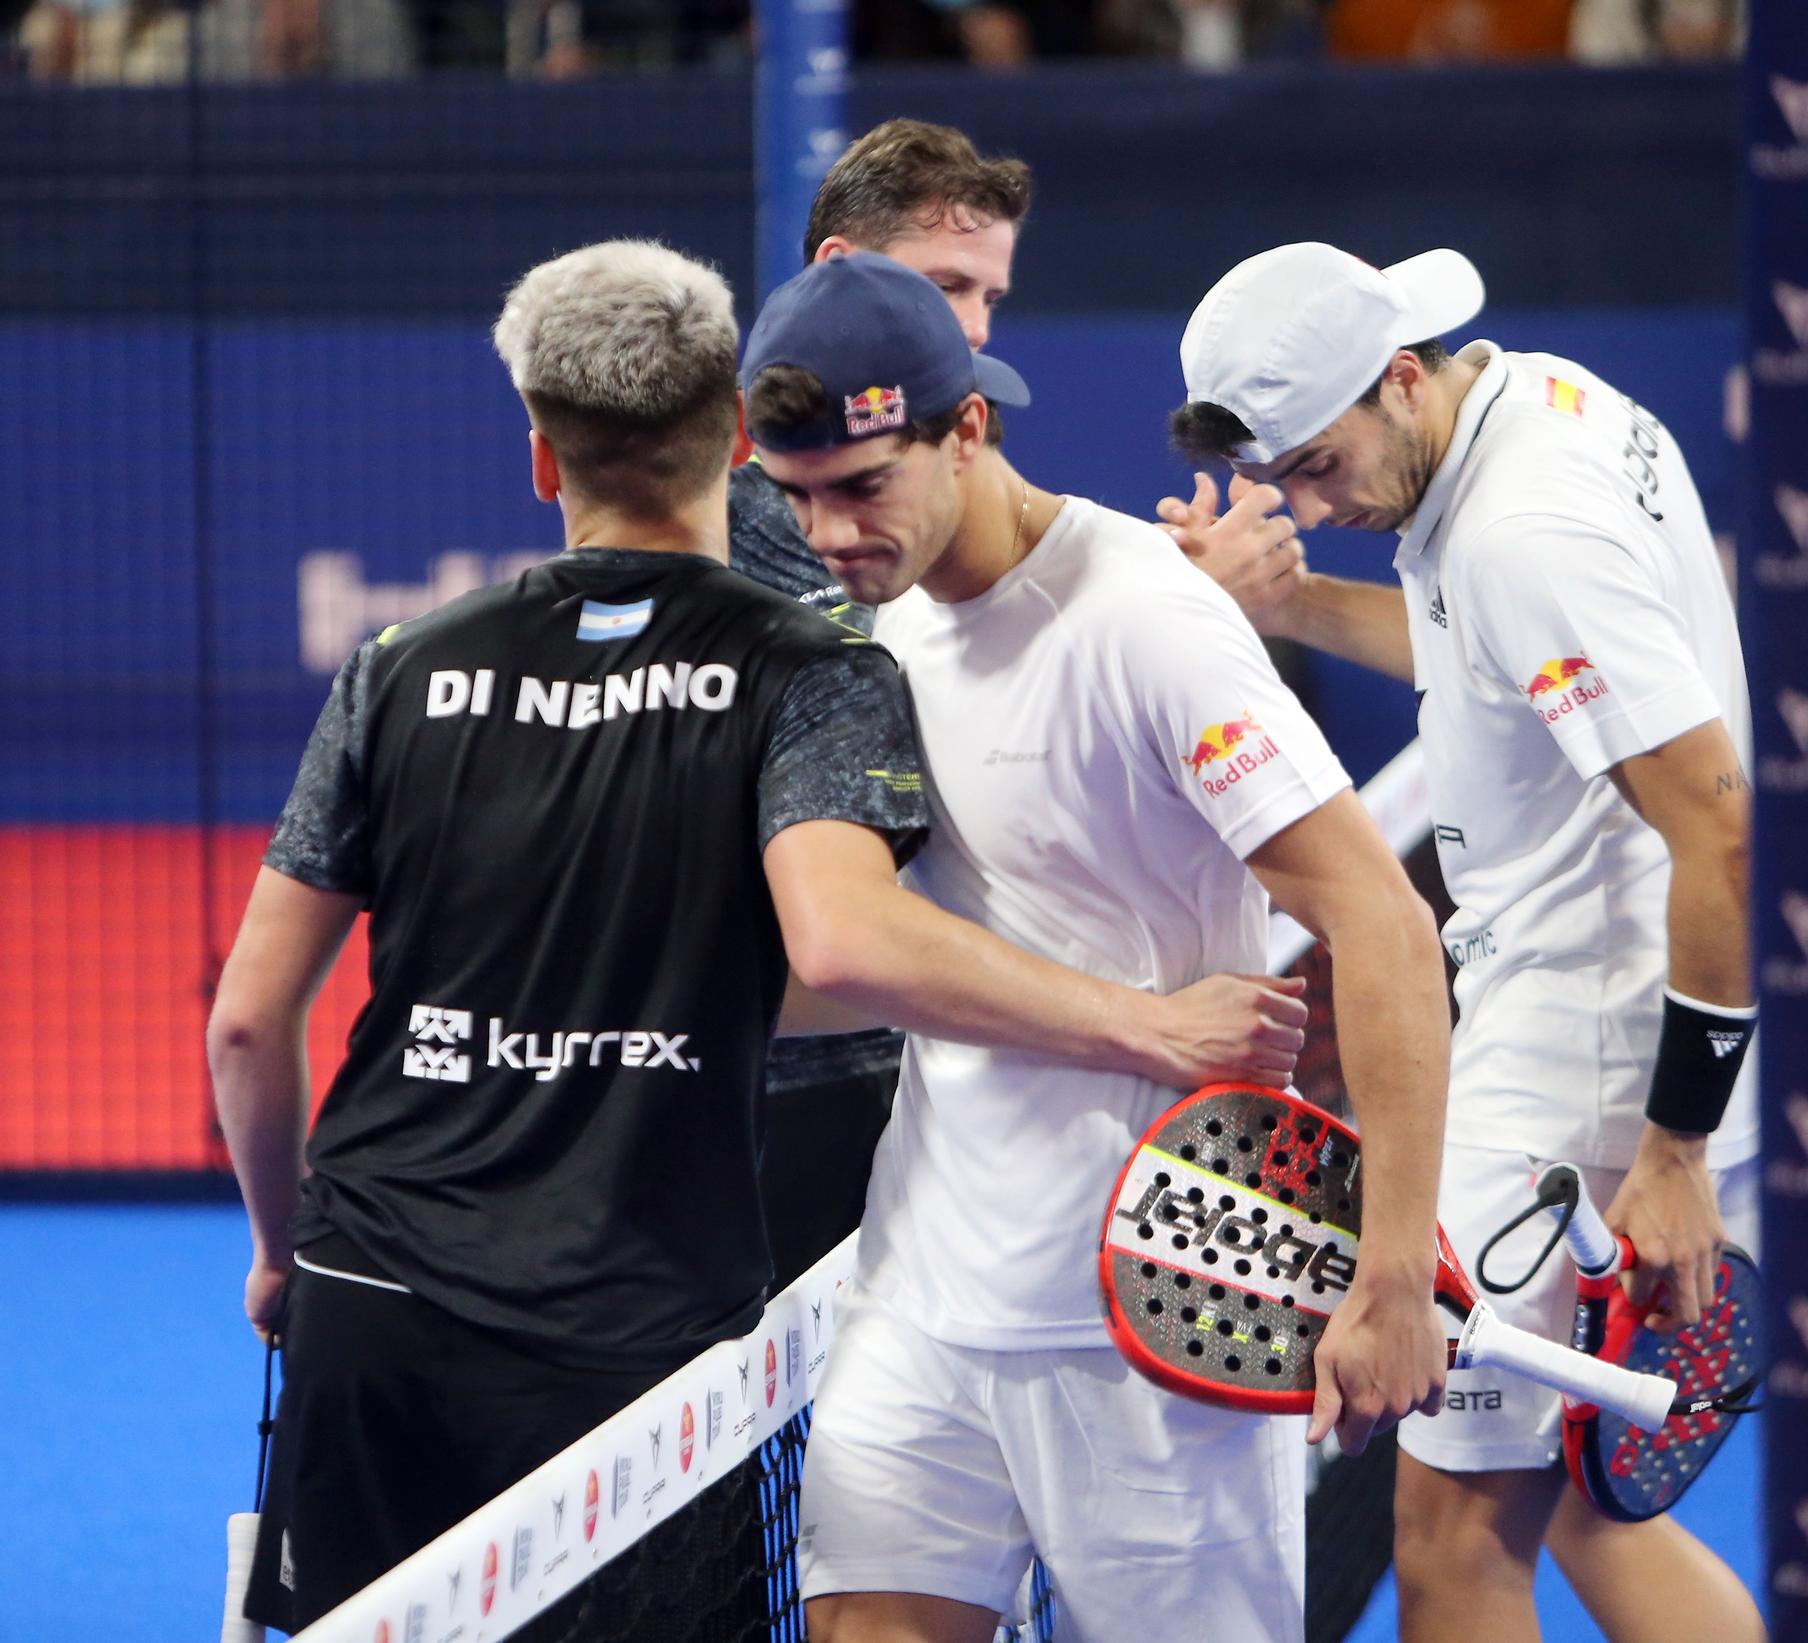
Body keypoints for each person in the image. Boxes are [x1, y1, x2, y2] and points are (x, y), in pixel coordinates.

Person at [208, 236, 1305, 1634]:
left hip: (370, 1290)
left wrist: (278, 1244)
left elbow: (247, 1021)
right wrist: (1139, 1015)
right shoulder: (815, 669)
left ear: (543, 458)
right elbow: (841, 951)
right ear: (736, 437)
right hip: (633, 1325)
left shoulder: (396, 667)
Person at [742, 249, 1453, 1643]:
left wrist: (1391, 1269)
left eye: (860, 485)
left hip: (1163, 1324)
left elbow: (1381, 917)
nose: (827, 531)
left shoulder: (1146, 618)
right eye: (797, 494)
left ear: (968, 428)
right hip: (924, 1300)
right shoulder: (864, 637)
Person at [1171, 241, 1763, 1642]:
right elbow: (1480, 651)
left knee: (1445, 1545)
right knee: (1582, 1504)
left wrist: (1672, 1151)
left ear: (1396, 375)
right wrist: (1288, 603)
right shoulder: (1535, 398)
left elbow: (1726, 834)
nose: (1316, 504)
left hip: (1585, 1074)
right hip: (1600, 1029)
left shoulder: (1521, 530)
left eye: (1321, 464)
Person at [739, 116, 1306, 1292]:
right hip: (789, 1084)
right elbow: (862, 696)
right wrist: (1190, 598)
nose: (977, 326)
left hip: (934, 1083)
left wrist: (1179, 610)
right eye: (948, 285)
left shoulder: (956, 478)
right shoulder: (772, 524)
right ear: (843, 269)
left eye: (989, 293)